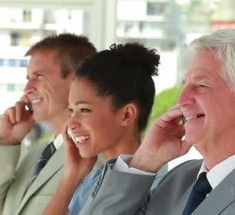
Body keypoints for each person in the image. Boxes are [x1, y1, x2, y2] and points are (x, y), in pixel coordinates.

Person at [80, 28, 235, 215]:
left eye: (201, 85)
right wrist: (143, 162)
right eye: (185, 86)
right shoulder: (179, 179)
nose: (182, 100)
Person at [0, 33, 97, 215]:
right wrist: (6, 141)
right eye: (28, 78)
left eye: (38, 76)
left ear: (77, 79)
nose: (27, 89)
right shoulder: (34, 157)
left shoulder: (94, 158)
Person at [42, 43, 167, 215]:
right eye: (71, 111)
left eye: (84, 110)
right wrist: (70, 178)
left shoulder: (159, 188)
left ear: (126, 115)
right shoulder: (92, 181)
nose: (71, 124)